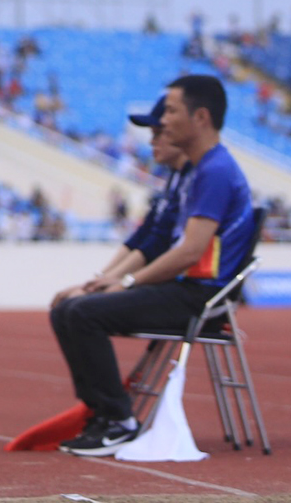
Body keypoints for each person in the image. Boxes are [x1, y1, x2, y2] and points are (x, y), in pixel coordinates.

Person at [50, 75, 256, 457]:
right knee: (72, 309)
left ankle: (118, 421)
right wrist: (107, 281)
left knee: (83, 314)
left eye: (172, 111)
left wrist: (125, 283)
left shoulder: (213, 172)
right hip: (186, 290)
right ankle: (103, 415)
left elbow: (189, 252)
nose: (162, 122)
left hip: (199, 299)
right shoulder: (199, 170)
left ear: (201, 118)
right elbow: (155, 243)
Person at [53, 98, 191, 307]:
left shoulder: (196, 180)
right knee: (73, 307)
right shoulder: (174, 179)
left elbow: (159, 244)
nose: (151, 142)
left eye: (158, 134)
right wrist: (98, 280)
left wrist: (122, 281)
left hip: (183, 287)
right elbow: (143, 237)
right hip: (167, 282)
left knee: (78, 310)